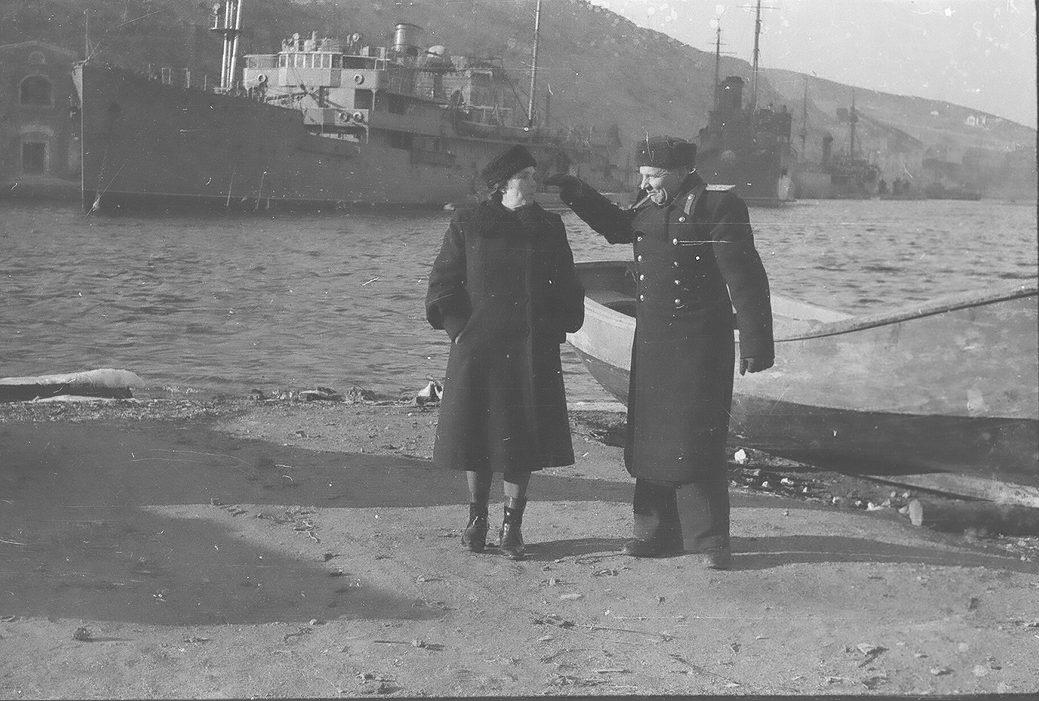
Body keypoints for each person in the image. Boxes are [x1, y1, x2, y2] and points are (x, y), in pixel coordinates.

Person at [546, 135, 774, 569]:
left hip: (700, 345)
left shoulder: (717, 208)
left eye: (652, 176)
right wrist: (575, 191)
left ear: (681, 172)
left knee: (695, 438)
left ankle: (709, 542)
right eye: (642, 175)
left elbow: (746, 276)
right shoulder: (648, 205)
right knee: (650, 436)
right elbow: (617, 227)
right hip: (652, 342)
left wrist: (757, 341)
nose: (644, 184)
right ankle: (654, 532)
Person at [425, 145, 585, 559]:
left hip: (532, 350)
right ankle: (476, 520)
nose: (534, 182)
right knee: (477, 436)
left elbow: (568, 285)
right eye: (525, 176)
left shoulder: (549, 227)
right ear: (502, 184)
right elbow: (443, 283)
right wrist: (460, 332)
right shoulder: (468, 223)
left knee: (522, 441)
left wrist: (556, 329)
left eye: (534, 175)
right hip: (479, 349)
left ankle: (512, 528)